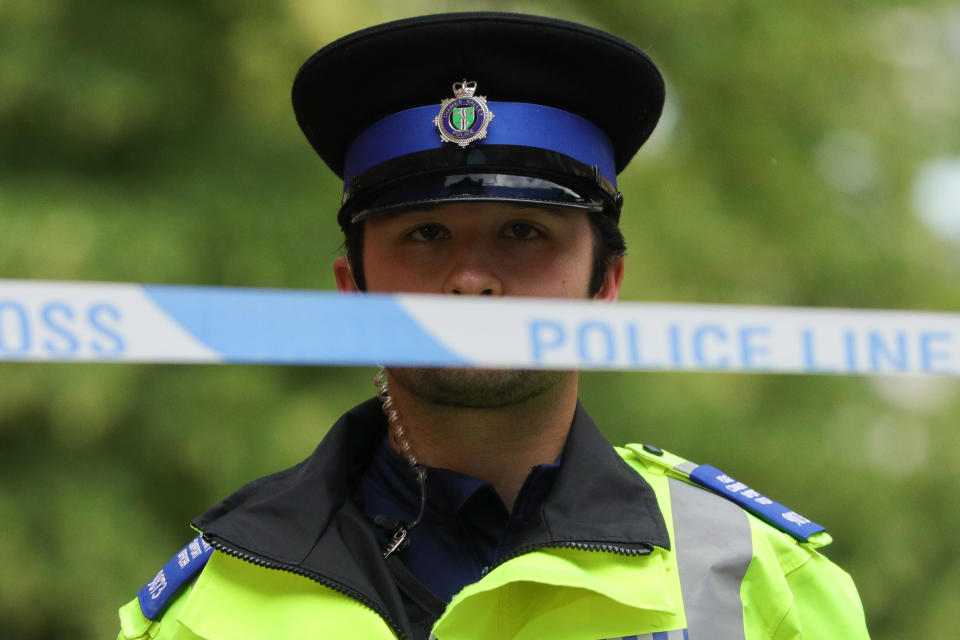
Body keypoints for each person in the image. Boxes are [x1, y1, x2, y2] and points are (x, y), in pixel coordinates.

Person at [118, 12, 870, 640]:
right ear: (353, 289)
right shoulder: (205, 608)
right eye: (425, 235)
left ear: (605, 285)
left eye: (522, 233)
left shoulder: (770, 584)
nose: (471, 277)